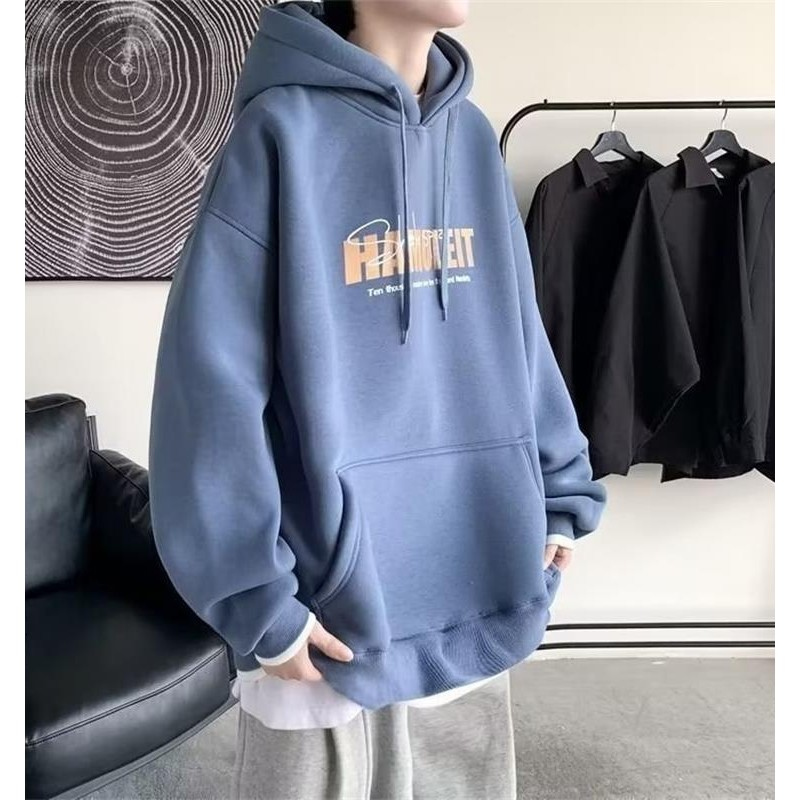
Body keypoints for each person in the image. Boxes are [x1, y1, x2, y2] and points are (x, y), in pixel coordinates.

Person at [147, 0, 608, 797]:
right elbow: (210, 386)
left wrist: (558, 489)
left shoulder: (470, 138)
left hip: (477, 563)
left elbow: (517, 334)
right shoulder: (278, 135)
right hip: (329, 601)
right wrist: (256, 598)